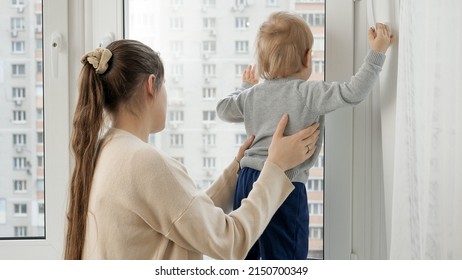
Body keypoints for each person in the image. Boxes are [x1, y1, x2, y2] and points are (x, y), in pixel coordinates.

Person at [65, 39, 321, 260]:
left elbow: (185, 218)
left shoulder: (107, 151)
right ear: (151, 85)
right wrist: (275, 168)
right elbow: (230, 241)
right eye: (165, 86)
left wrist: (237, 170)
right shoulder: (142, 161)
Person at [216, 12, 394, 260]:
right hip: (283, 184)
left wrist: (245, 88)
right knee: (286, 259)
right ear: (308, 57)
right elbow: (353, 92)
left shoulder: (253, 95)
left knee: (248, 255)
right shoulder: (307, 93)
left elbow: (222, 109)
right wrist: (377, 53)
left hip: (245, 181)